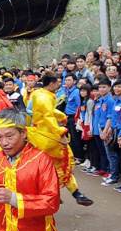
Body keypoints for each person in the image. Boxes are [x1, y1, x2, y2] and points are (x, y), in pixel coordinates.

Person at [28, 73, 93, 206]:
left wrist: (61, 116)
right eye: (58, 82)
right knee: (63, 164)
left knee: (50, 168)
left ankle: (58, 193)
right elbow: (48, 116)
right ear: (51, 83)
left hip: (39, 136)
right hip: (48, 138)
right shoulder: (43, 97)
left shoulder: (38, 94)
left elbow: (47, 112)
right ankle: (70, 193)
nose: (60, 84)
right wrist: (61, 131)